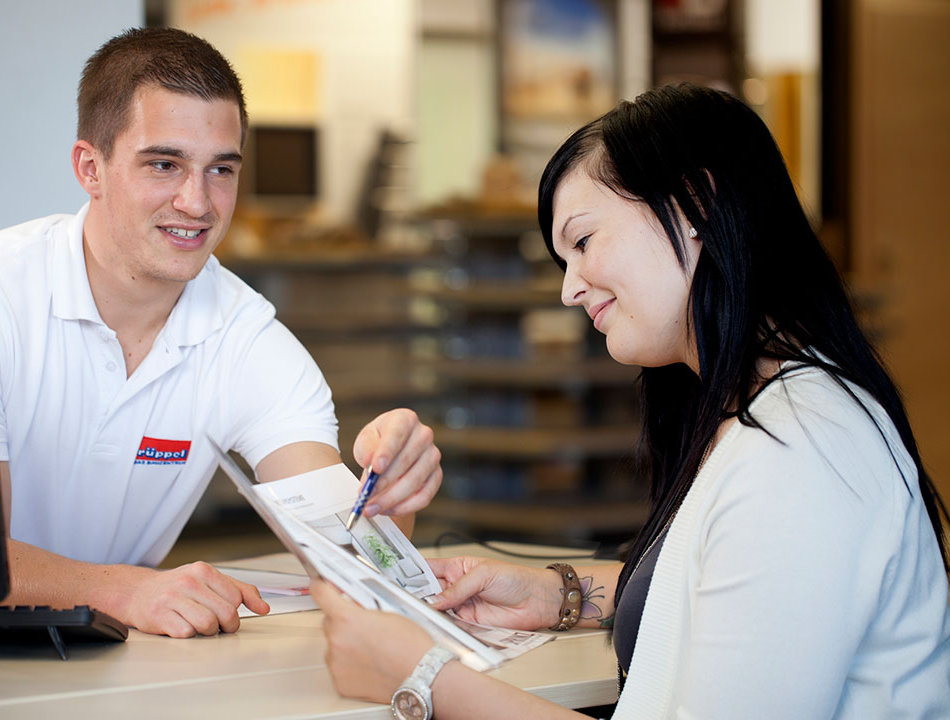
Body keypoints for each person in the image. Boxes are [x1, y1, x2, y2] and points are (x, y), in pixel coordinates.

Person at [312, 83, 950, 719]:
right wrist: (561, 594)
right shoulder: (759, 414)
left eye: (583, 242)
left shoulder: (799, 454)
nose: (569, 290)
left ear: (695, 205)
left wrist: (424, 678)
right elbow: (725, 590)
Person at [0, 27, 442, 639]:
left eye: (220, 169)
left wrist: (386, 499)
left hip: (109, 661)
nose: (197, 202)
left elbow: (350, 566)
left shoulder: (247, 337)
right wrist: (123, 588)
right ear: (90, 167)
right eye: (164, 164)